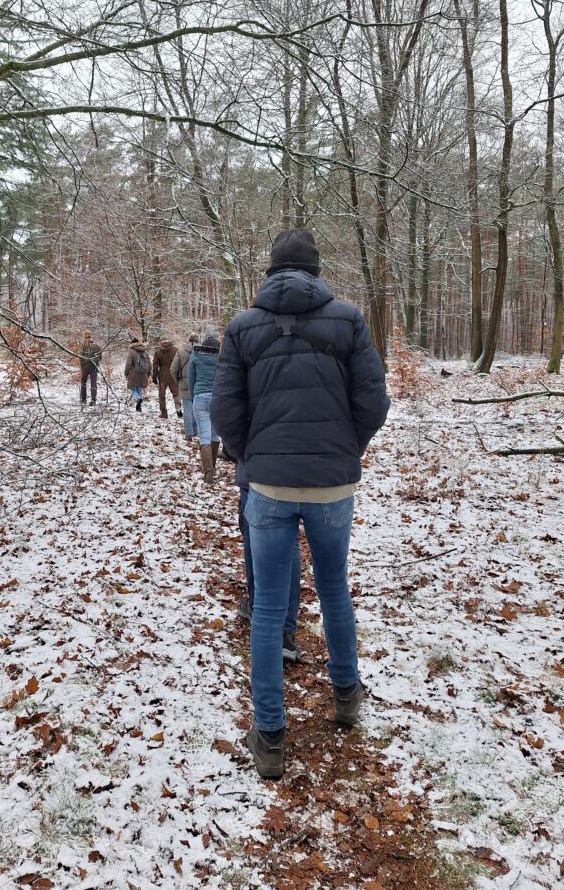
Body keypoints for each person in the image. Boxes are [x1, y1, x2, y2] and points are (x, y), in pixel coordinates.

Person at [212, 229, 390, 780]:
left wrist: (251, 456)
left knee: (268, 606)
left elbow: (224, 410)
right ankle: (346, 697)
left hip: (268, 485)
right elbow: (374, 403)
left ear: (271, 271)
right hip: (332, 486)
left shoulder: (243, 327)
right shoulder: (349, 320)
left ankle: (269, 736)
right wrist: (346, 451)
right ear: (315, 271)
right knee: (334, 588)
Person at [238, 482, 302, 663]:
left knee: (254, 527)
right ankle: (285, 630)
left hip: (259, 476)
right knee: (289, 540)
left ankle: (258, 608)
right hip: (307, 481)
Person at [187, 324, 221, 483]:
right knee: (215, 435)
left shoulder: (196, 353)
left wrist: (193, 396)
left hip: (200, 397)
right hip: (218, 398)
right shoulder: (223, 355)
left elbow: (191, 378)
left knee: (204, 436)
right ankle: (212, 467)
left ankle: (208, 472)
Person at [171, 333, 199, 442]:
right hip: (198, 382)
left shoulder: (180, 352)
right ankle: (196, 430)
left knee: (187, 409)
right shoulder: (201, 352)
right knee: (196, 408)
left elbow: (173, 369)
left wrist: (178, 381)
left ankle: (189, 433)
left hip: (185, 382)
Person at [152, 336, 182, 419]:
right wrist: (179, 374)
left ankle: (163, 413)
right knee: (176, 394)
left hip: (163, 376)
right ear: (168, 341)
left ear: (161, 342)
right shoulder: (176, 350)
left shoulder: (158, 352)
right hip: (174, 375)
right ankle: (178, 408)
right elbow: (180, 363)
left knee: (162, 395)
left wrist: (154, 377)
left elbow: (155, 366)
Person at [124, 337, 150, 413]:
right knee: (139, 389)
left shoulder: (131, 351)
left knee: (132, 389)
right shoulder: (145, 351)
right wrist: (148, 374)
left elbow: (128, 364)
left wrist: (126, 372)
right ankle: (139, 408)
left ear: (132, 344)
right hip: (143, 373)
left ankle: (138, 399)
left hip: (134, 373)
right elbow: (149, 364)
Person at [79, 330, 102, 407]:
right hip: (92, 367)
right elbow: (99, 357)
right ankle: (92, 400)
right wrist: (94, 361)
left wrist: (83, 365)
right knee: (92, 383)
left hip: (88, 367)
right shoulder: (96, 346)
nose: (86, 339)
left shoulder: (83, 346)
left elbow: (81, 358)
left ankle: (84, 400)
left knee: (85, 383)